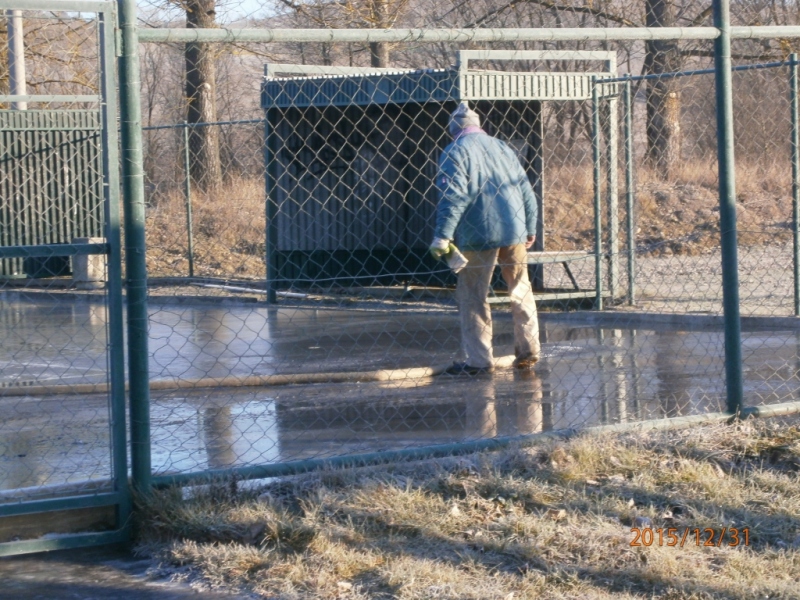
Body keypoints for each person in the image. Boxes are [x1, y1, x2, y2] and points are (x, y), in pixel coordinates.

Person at [430, 102, 541, 375]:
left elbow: (453, 196)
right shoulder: (503, 148)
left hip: (477, 233)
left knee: (473, 295)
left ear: (452, 130)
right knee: (520, 288)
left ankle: (479, 361)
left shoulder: (455, 151)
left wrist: (443, 236)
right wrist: (530, 226)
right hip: (513, 228)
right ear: (479, 126)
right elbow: (525, 189)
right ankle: (529, 350)